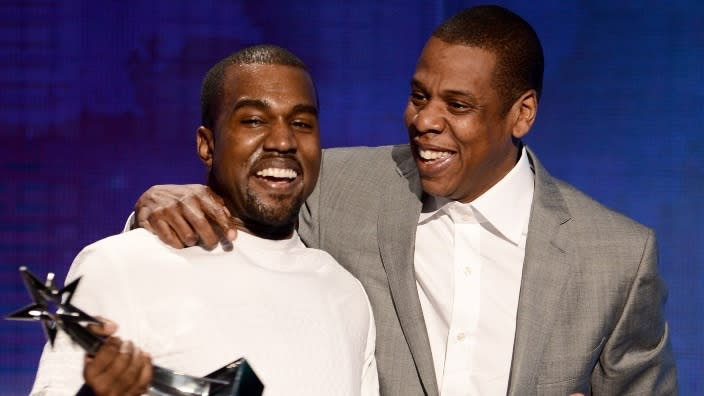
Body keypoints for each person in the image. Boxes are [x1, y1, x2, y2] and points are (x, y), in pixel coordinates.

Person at [132, 5, 677, 396]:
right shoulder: (337, 185)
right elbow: (242, 218)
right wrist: (154, 207)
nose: (425, 121)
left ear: (522, 114)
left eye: (457, 105)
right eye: (420, 96)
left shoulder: (616, 257)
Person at [30, 45, 379, 396]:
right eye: (254, 121)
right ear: (206, 146)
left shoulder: (346, 294)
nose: (283, 141)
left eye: (301, 123)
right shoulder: (122, 265)